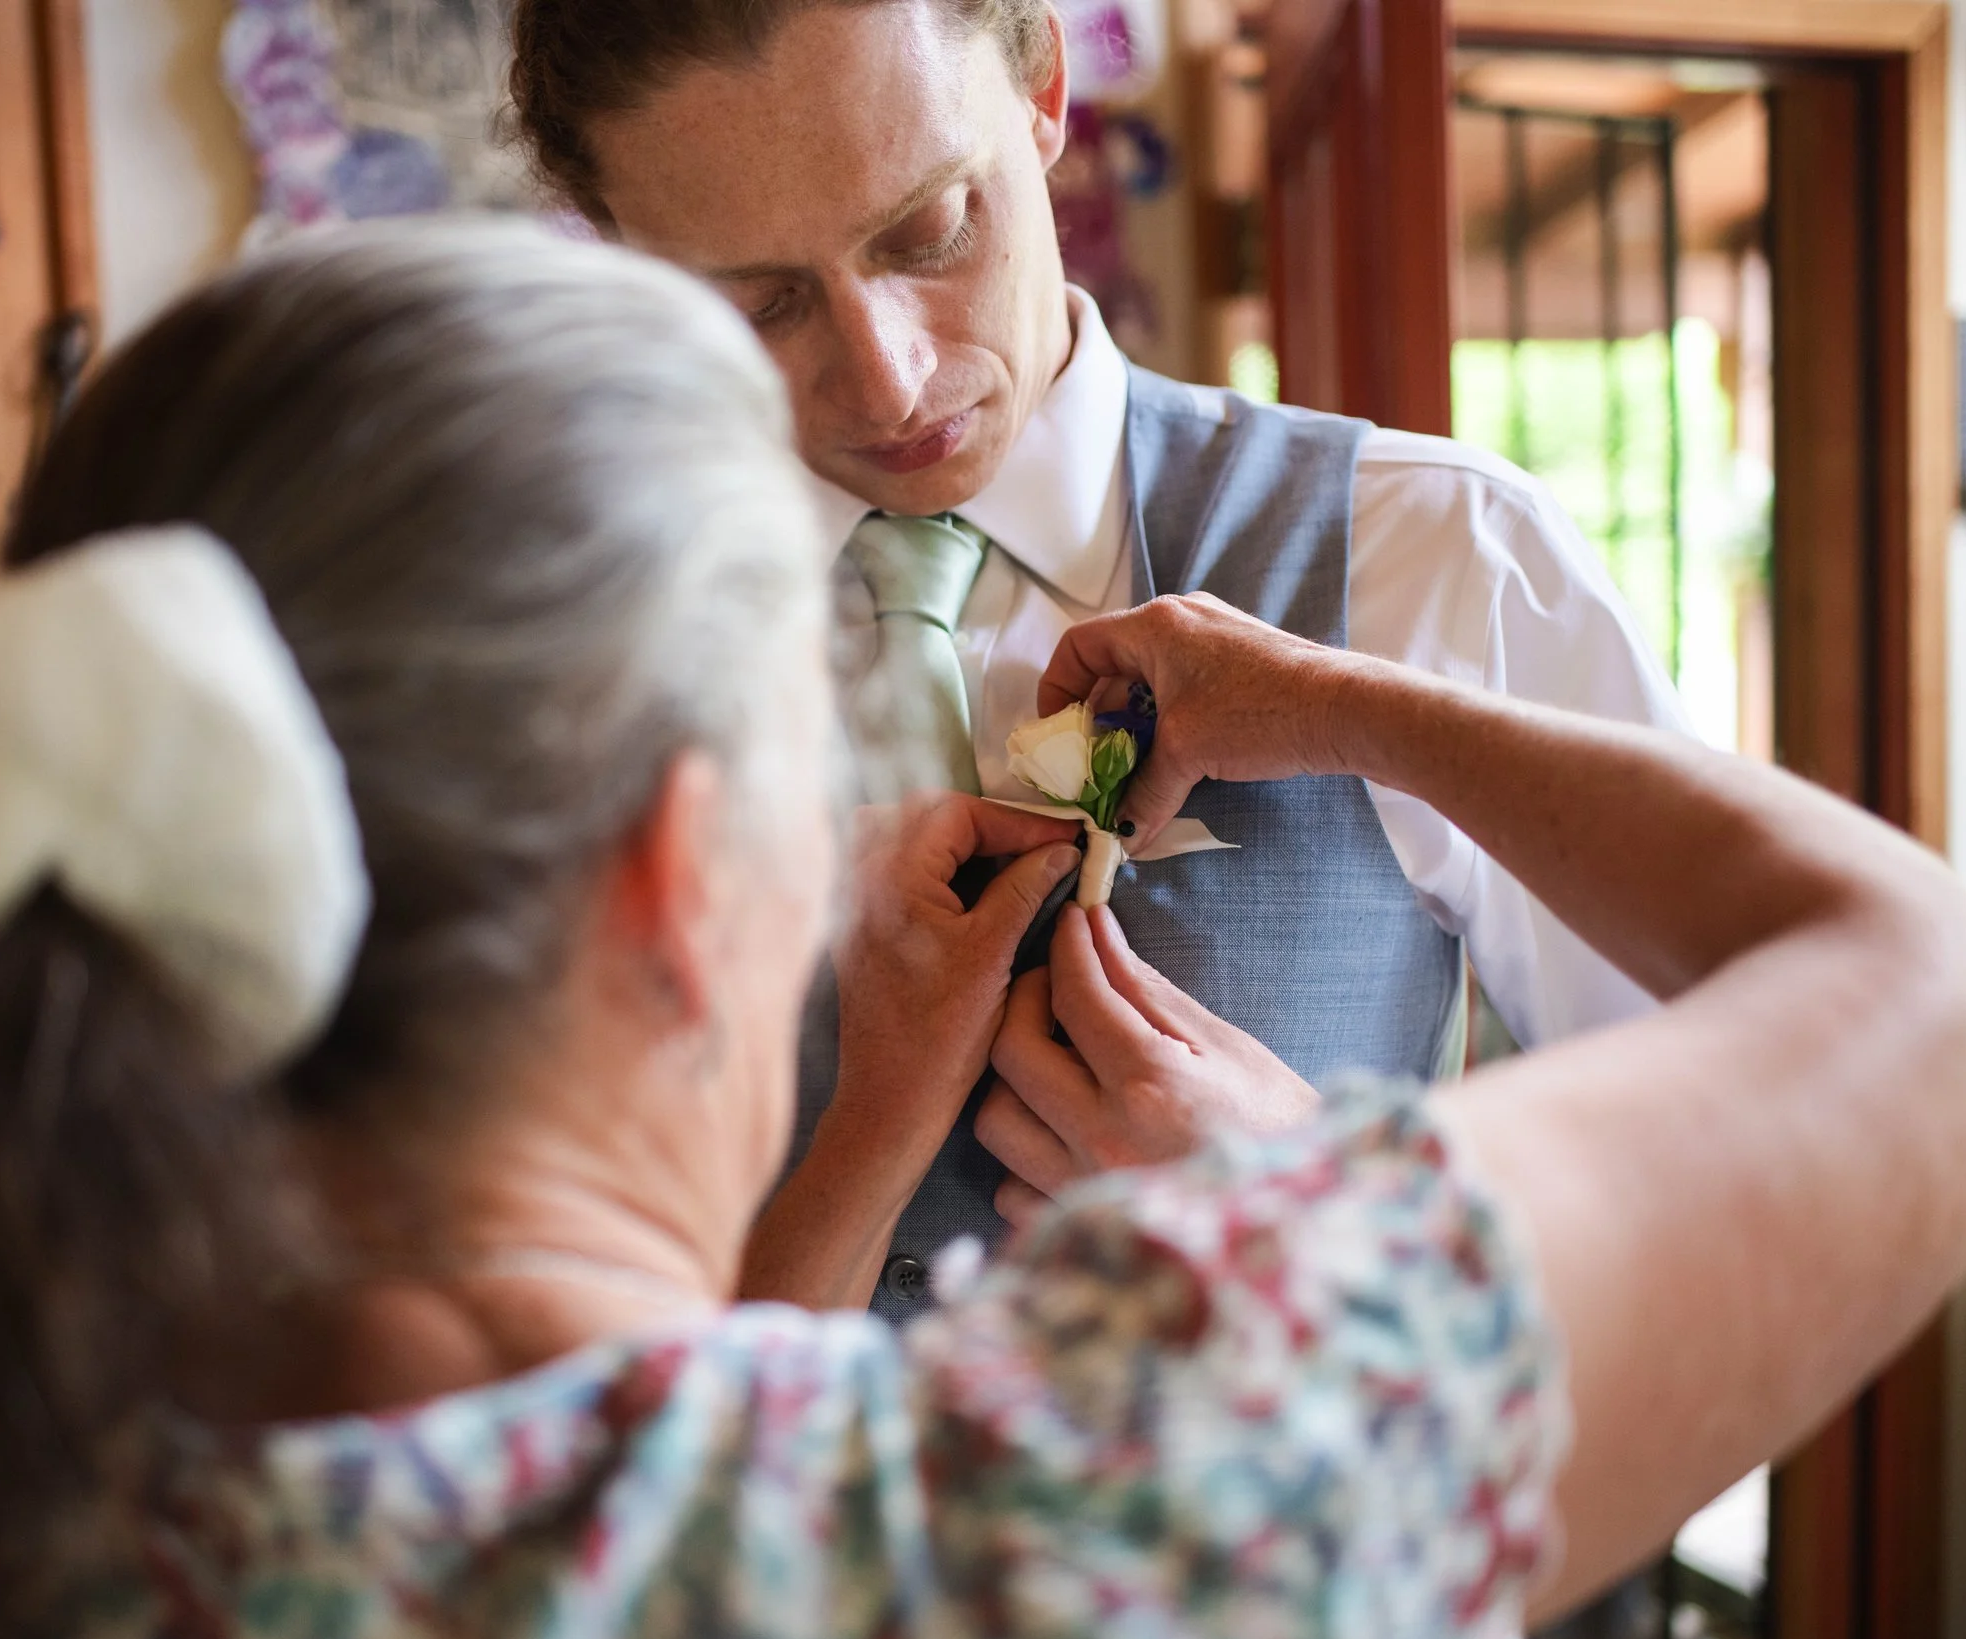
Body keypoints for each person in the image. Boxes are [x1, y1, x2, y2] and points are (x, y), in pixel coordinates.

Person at [0, 221, 1966, 1639]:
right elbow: (1944, 987)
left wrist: (868, 1125)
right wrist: (1345, 722)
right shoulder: (1077, 1497)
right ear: (692, 876)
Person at [504, 0, 1704, 1317]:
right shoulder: (554, 661)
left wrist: (1339, 1205)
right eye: (762, 301)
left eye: (929, 228)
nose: (889, 380)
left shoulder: (1447, 557)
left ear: (1042, 84)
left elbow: (1732, 1167)